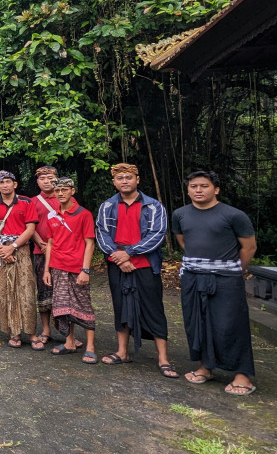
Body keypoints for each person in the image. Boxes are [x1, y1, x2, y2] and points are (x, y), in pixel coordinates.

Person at [172, 170, 257, 396]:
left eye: (204, 186)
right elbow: (184, 243)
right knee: (197, 323)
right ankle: (205, 366)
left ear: (216, 189)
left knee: (231, 324)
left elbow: (249, 248)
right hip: (192, 278)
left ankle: (242, 374)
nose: (198, 190)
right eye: (193, 186)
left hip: (226, 279)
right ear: (188, 189)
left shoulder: (234, 215)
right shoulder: (180, 214)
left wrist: (230, 270)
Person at [95, 163, 176, 377]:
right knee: (120, 306)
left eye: (128, 177)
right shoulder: (107, 206)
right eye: (120, 178)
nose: (124, 181)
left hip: (145, 264)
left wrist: (129, 253)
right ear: (114, 182)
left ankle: (163, 358)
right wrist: (119, 258)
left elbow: (157, 234)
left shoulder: (153, 206)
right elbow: (102, 234)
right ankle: (122, 352)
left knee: (153, 307)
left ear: (137, 179)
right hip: (117, 263)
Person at [0, 171, 41, 349]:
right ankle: (14, 332)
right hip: (0, 250)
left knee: (27, 289)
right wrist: (1, 249)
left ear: (15, 184)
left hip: (20, 250)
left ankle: (31, 332)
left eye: (8, 182)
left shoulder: (26, 202)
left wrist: (12, 247)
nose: (5, 185)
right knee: (5, 291)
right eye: (2, 183)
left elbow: (30, 229)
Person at [43, 177, 98, 364]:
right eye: (57, 190)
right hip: (57, 267)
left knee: (83, 304)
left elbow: (90, 243)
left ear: (72, 191)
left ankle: (90, 346)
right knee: (62, 307)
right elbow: (50, 243)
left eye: (64, 190)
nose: (60, 193)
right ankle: (70, 342)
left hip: (77, 268)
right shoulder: (52, 215)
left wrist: (85, 269)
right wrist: (47, 269)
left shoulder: (84, 214)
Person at [30, 166, 60, 343]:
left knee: (64, 291)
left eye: (50, 178)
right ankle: (46, 329)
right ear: (37, 182)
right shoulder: (33, 201)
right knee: (43, 290)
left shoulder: (64, 197)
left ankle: (67, 332)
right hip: (40, 250)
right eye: (42, 178)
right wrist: (40, 243)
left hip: (62, 251)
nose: (46, 181)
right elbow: (30, 225)